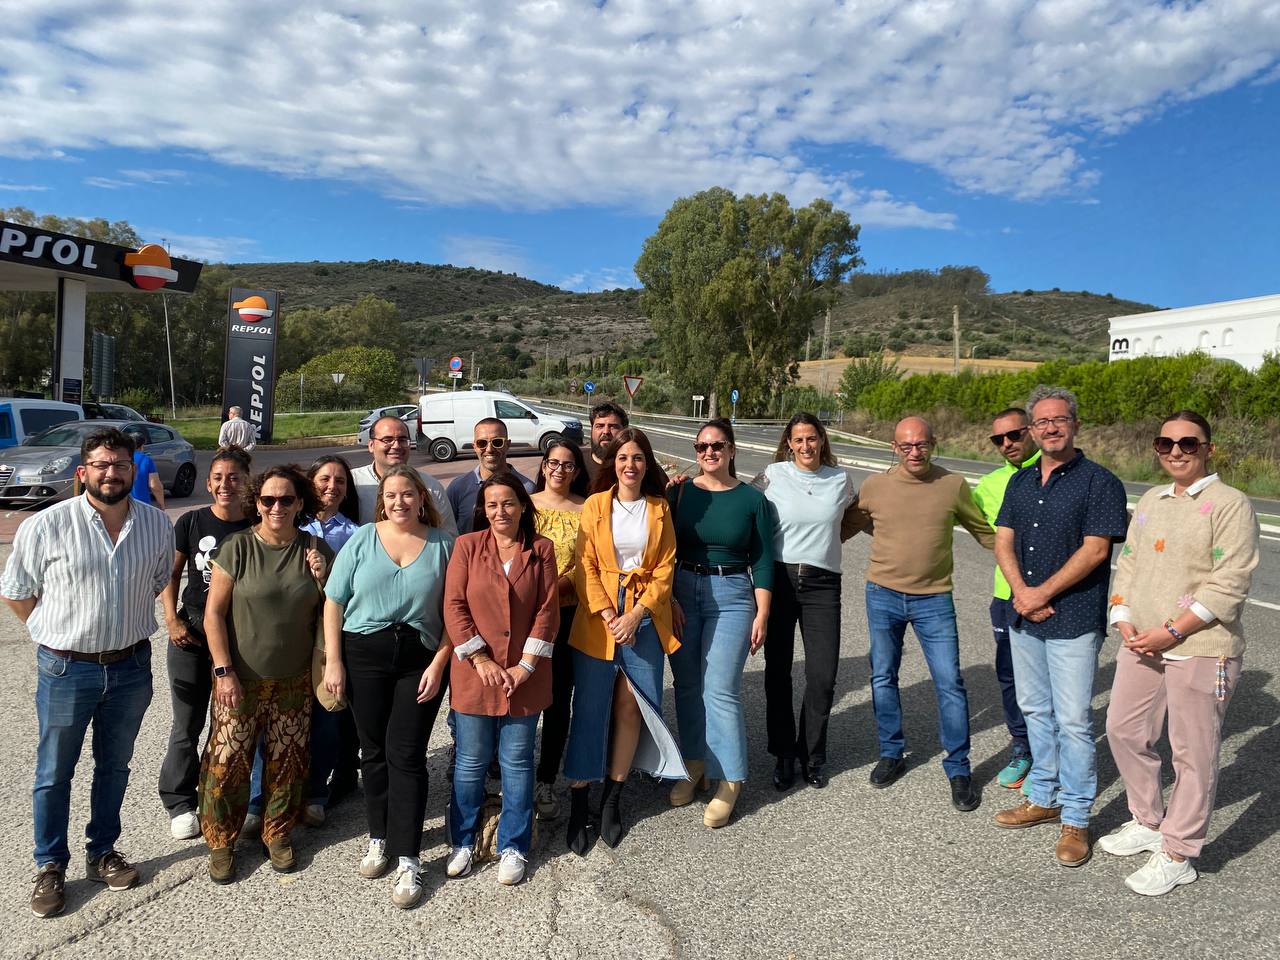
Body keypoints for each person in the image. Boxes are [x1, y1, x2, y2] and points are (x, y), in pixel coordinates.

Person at [1, 427, 174, 918]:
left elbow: (158, 579)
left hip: (130, 667)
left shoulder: (157, 526)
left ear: (131, 469)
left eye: (120, 464)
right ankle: (51, 865)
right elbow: (15, 589)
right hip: (66, 667)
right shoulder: (47, 525)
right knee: (54, 772)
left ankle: (102, 852)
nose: (111, 472)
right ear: (83, 472)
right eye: (100, 464)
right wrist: (51, 632)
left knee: (114, 766)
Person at [1102, 411, 1259, 896]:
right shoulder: (1151, 499)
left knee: (1194, 752)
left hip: (1200, 647)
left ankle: (1179, 851)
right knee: (1123, 728)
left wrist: (1173, 630)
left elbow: (1229, 582)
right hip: (1143, 640)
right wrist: (1123, 615)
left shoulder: (1230, 504)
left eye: (1188, 443)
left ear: (1208, 449)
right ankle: (1148, 820)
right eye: (1165, 442)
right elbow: (1128, 562)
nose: (1175, 451)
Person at [992, 386, 1128, 868]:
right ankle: (1043, 796)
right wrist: (1021, 595)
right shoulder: (1020, 482)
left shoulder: (1100, 482)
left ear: (1075, 424)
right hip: (1024, 615)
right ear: (1031, 430)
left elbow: (1095, 551)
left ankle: (1076, 818)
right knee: (1035, 709)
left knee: (1073, 721)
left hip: (1071, 618)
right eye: (1042, 421)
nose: (1050, 428)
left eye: (1060, 420)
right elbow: (1002, 541)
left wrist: (1040, 594)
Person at [322, 465, 455, 908]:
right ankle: (378, 836)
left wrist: (440, 663)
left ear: (422, 498)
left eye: (408, 494)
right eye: (391, 495)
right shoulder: (362, 540)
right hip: (363, 655)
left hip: (420, 658)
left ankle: (409, 859)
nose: (400, 502)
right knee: (372, 751)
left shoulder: (443, 545)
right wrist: (334, 662)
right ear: (383, 500)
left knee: (408, 754)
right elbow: (334, 601)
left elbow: (457, 613)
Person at [850, 416, 994, 812]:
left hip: (934, 600)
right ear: (894, 448)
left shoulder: (952, 485)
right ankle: (892, 752)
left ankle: (959, 767)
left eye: (922, 445)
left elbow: (985, 532)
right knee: (883, 676)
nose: (915, 452)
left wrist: (1028, 568)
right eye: (906, 446)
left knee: (949, 681)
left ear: (933, 443)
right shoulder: (875, 487)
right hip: (882, 595)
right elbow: (850, 524)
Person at [199, 465, 333, 883]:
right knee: (227, 762)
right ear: (256, 503)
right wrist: (223, 672)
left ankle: (277, 833)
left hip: (294, 679)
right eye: (268, 500)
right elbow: (213, 616)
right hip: (240, 678)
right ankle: (221, 841)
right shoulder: (236, 548)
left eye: (286, 499)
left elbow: (333, 609)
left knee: (287, 762)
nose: (276, 507)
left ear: (300, 503)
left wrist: (323, 578)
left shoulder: (315, 550)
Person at [564, 428, 681, 854]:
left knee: (632, 706)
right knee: (590, 709)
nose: (630, 465)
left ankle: (613, 797)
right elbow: (585, 564)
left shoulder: (660, 508)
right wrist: (610, 614)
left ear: (647, 464)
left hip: (644, 617)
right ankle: (580, 798)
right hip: (599, 618)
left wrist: (636, 614)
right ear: (611, 463)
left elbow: (666, 569)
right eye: (622, 458)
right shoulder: (596, 505)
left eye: (637, 458)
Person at [443, 473, 558, 886]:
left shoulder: (541, 550)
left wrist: (523, 667)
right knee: (471, 763)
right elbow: (454, 606)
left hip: (523, 676)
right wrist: (480, 659)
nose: (500, 511)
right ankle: (462, 840)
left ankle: (514, 844)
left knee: (517, 762)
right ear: (483, 508)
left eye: (508, 503)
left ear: (523, 506)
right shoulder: (467, 547)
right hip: (476, 675)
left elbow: (547, 612)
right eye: (492, 504)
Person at [245, 454, 362, 834]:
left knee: (327, 720)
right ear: (308, 486)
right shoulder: (282, 522)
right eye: (325, 478)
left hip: (327, 640)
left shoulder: (356, 533)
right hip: (281, 642)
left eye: (340, 481)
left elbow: (352, 593)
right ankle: (258, 800)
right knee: (272, 726)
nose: (332, 486)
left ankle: (315, 794)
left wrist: (324, 575)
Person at [667, 418, 774, 828]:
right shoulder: (678, 493)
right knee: (688, 684)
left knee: (720, 689)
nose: (708, 453)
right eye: (702, 447)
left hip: (732, 596)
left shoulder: (752, 500)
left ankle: (730, 778)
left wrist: (762, 610)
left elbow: (762, 560)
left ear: (731, 450)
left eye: (717, 446)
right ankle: (695, 764)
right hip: (682, 590)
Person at [754, 413, 858, 791]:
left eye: (811, 439)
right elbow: (748, 508)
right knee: (778, 672)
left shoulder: (840, 480)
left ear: (822, 441)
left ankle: (811, 755)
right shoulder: (773, 474)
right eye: (798, 440)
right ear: (788, 443)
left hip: (823, 586)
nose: (805, 446)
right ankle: (783, 753)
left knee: (823, 677)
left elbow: (852, 518)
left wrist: (829, 544)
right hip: (780, 580)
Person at [158, 446, 253, 841]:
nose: (224, 484)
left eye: (233, 477)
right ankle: (179, 801)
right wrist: (171, 617)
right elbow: (171, 572)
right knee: (188, 722)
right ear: (207, 482)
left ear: (248, 481)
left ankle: (228, 795)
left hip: (241, 638)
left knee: (235, 724)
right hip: (192, 635)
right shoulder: (192, 522)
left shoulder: (257, 524)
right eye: (217, 477)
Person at [971, 407, 1041, 790]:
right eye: (998, 439)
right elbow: (947, 512)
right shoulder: (992, 483)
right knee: (1011, 678)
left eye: (1014, 435)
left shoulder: (1055, 473)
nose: (1007, 444)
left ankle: (1051, 759)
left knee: (1048, 681)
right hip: (1005, 596)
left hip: (1054, 597)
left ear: (1030, 431)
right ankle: (1023, 749)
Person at [529, 439, 590, 821]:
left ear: (577, 471)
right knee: (519, 694)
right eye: (553, 463)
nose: (559, 470)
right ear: (544, 465)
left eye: (568, 465)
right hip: (522, 615)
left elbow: (589, 564)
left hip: (567, 615)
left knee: (556, 699)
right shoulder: (526, 505)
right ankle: (507, 775)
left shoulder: (587, 510)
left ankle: (545, 777)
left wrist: (554, 591)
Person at [352, 415, 454, 535]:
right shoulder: (353, 482)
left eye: (402, 440)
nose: (396, 446)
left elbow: (449, 536)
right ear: (371, 445)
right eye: (387, 440)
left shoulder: (431, 487)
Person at [446, 417, 535, 533]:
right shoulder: (458, 488)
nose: (489, 449)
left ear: (507, 445)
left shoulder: (528, 489)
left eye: (497, 442)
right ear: (474, 447)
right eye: (482, 443)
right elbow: (447, 529)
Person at [585, 400, 628, 482]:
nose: (606, 432)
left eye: (613, 426)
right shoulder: (575, 461)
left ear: (624, 431)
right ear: (592, 429)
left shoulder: (634, 470)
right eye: (600, 426)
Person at [130, 433, 165, 508]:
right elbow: (154, 485)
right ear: (142, 446)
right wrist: (161, 504)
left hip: (121, 506)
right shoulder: (146, 460)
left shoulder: (120, 458)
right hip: (142, 505)